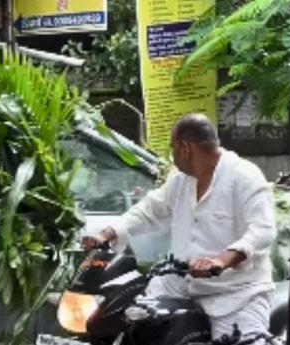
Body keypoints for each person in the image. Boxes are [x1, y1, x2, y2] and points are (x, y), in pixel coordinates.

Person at [82, 113, 276, 339]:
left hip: (236, 294)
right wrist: (108, 233)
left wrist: (221, 261)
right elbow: (149, 211)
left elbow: (263, 232)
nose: (172, 154)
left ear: (185, 148)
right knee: (133, 325)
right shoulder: (180, 179)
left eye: (172, 148)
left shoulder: (244, 177)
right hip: (181, 285)